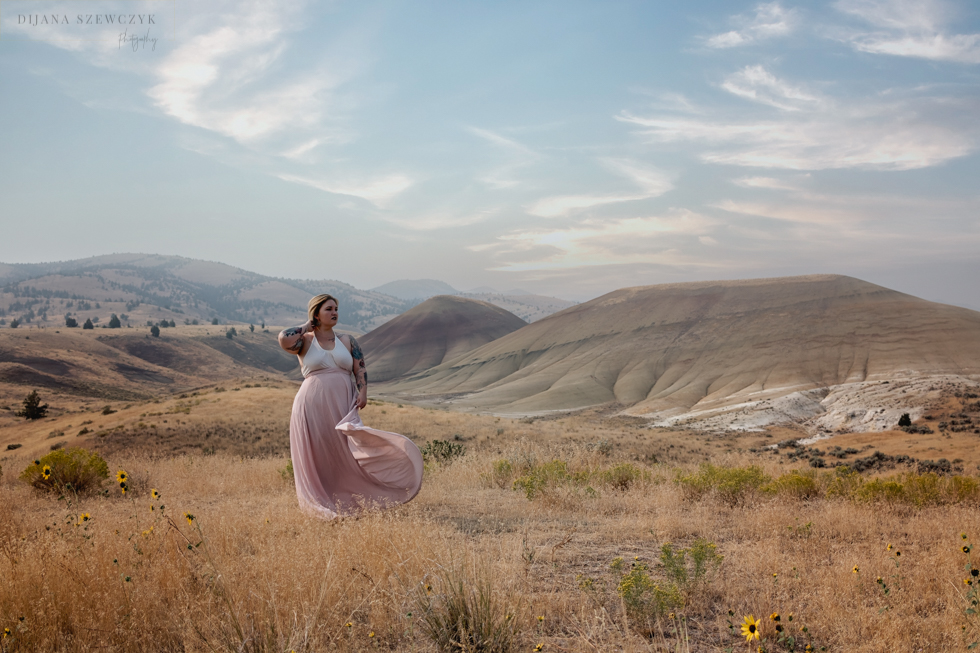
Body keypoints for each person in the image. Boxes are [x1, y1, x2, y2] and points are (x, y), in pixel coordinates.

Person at [278, 294, 423, 519]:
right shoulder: (304, 341)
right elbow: (284, 339)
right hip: (311, 405)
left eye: (336, 308)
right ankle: (323, 501)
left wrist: (363, 391)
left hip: (343, 402)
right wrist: (308, 326)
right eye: (329, 309)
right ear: (316, 313)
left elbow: (360, 367)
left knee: (345, 448)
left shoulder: (347, 340)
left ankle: (358, 492)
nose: (335, 312)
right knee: (318, 450)